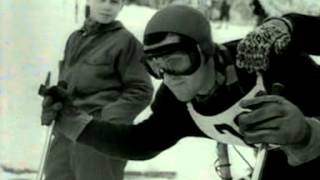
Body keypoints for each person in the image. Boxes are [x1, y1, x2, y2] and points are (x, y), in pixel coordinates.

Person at [41, 5, 320, 180]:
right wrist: (74, 121)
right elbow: (139, 142)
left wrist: (292, 25)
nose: (169, 78)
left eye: (176, 61)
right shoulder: (180, 103)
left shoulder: (256, 59)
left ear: (205, 51)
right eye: (155, 66)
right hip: (286, 158)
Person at [40, 0, 153, 180]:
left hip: (99, 138)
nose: (107, 6)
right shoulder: (75, 39)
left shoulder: (126, 42)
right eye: (102, 0)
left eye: (114, 2)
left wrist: (106, 121)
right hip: (66, 132)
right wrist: (54, 102)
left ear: (122, 5)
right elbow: (66, 84)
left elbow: (141, 90)